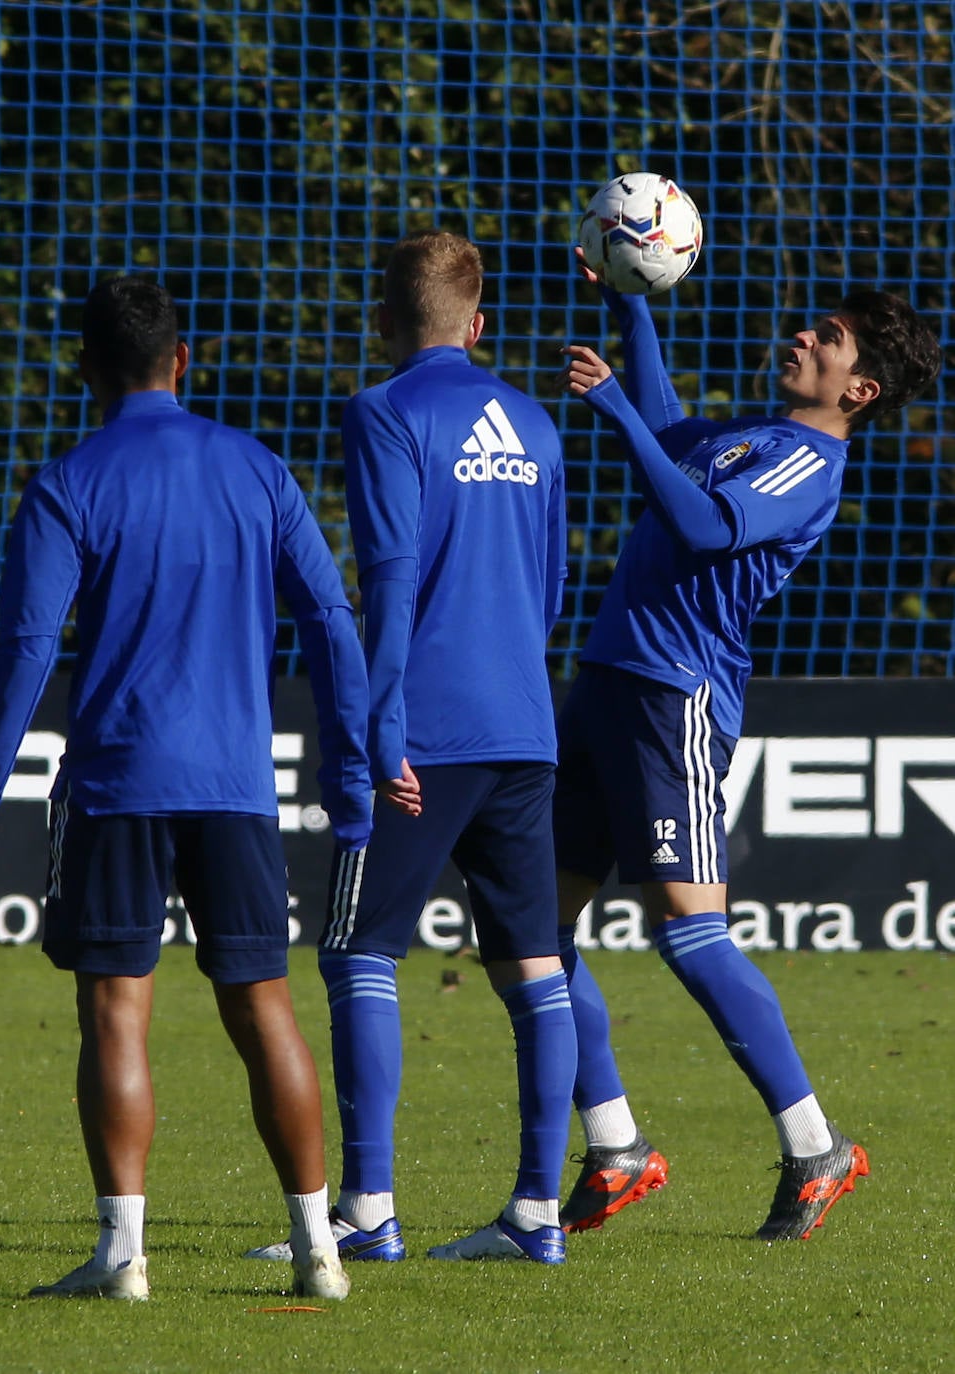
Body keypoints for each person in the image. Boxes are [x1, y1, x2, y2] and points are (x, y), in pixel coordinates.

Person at [0, 276, 375, 1301]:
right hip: (234, 786)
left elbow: (23, 652)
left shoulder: (66, 485)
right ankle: (319, 1250)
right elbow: (330, 619)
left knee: (115, 1011)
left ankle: (122, 1257)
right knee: (262, 1004)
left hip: (115, 784)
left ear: (86, 371)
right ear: (183, 362)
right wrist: (349, 767)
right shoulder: (259, 471)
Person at [552, 255, 942, 1240]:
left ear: (857, 388)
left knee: (689, 934)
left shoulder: (810, 462)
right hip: (607, 683)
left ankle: (815, 1146)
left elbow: (699, 523)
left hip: (672, 700)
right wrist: (625, 303)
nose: (800, 336)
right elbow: (666, 416)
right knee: (530, 927)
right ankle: (614, 1149)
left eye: (826, 336)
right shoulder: (753, 433)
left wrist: (617, 418)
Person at [248, 228, 576, 1266]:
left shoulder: (381, 412)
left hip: (424, 729)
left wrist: (375, 723)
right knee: (535, 966)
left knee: (356, 950)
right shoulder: (534, 420)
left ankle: (369, 1207)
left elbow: (386, 580)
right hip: (525, 723)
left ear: (384, 322)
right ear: (478, 325)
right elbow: (554, 585)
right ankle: (535, 1213)